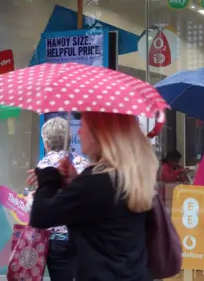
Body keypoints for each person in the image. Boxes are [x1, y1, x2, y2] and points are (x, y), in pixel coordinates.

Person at [28, 112, 158, 281]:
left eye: (83, 126)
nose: (78, 132)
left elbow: (40, 215)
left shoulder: (96, 182)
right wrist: (74, 181)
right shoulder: (128, 176)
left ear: (99, 134)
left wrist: (49, 177)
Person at [24, 117, 89, 281]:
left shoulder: (44, 165)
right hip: (80, 236)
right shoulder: (82, 162)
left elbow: (40, 206)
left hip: (56, 239)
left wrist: (29, 198)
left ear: (46, 142)